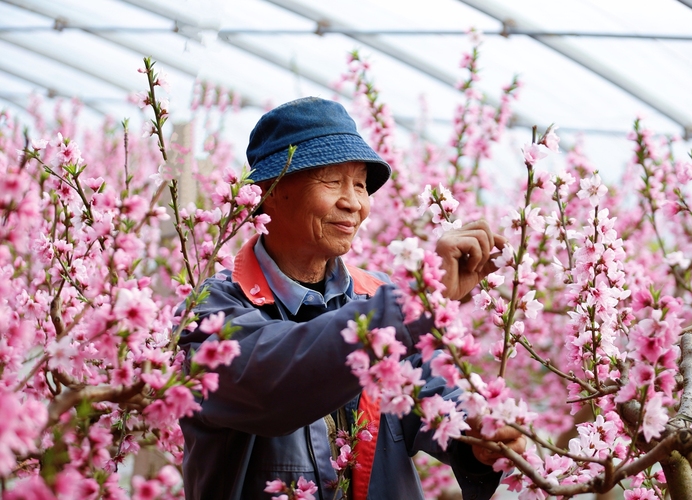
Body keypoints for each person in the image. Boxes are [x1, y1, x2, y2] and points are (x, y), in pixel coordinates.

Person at [178, 97, 525, 500]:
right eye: (331, 180)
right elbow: (277, 383)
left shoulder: (377, 296)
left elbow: (427, 394)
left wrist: (478, 437)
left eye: (360, 184)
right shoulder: (209, 312)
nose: (354, 203)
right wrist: (418, 298)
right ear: (266, 192)